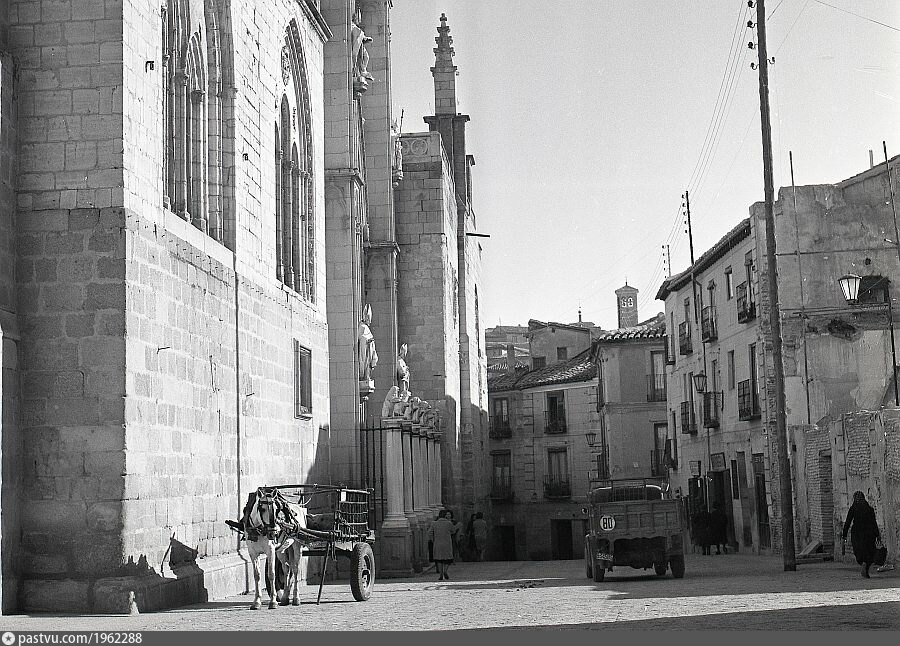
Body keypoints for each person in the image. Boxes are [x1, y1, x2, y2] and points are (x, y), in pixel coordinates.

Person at [842, 490, 881, 578]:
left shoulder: (853, 509)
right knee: (869, 552)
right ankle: (866, 566)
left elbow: (848, 522)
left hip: (857, 534)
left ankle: (863, 563)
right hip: (869, 534)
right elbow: (874, 523)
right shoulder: (869, 509)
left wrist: (844, 535)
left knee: (859, 552)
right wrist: (877, 535)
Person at [427, 509, 455, 580]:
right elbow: (453, 531)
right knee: (447, 559)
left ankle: (441, 573)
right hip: (447, 543)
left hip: (437, 542)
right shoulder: (449, 523)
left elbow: (429, 532)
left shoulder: (434, 523)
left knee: (439, 559)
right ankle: (445, 571)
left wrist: (432, 539)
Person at [357, 304, 378, 383]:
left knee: (370, 364)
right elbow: (361, 338)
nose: (370, 321)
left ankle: (367, 376)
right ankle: (364, 376)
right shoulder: (362, 326)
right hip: (365, 350)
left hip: (369, 350)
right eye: (369, 319)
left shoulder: (366, 327)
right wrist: (368, 340)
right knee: (366, 364)